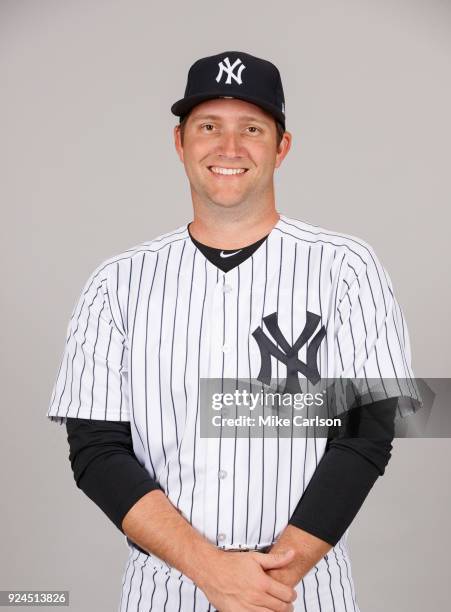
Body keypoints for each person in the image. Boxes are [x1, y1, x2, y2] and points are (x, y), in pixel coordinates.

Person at [47, 51, 421, 611]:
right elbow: (96, 449)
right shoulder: (116, 283)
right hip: (163, 590)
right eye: (208, 127)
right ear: (180, 142)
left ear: (281, 146)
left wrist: (270, 578)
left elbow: (369, 430)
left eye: (251, 127)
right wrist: (212, 571)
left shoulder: (347, 267)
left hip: (304, 589)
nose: (229, 148)